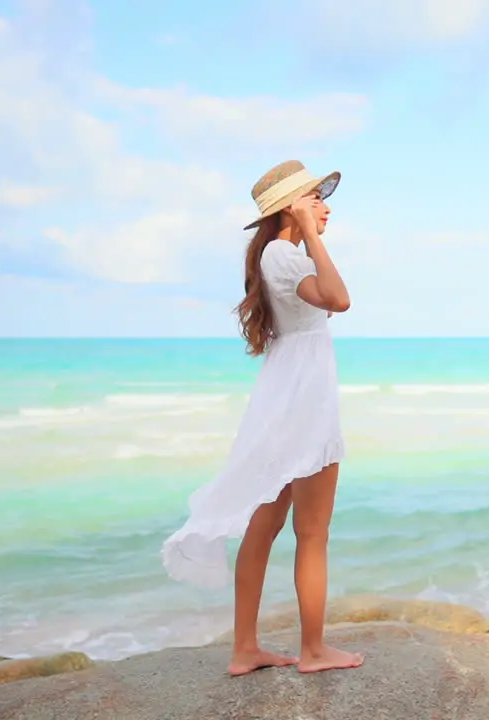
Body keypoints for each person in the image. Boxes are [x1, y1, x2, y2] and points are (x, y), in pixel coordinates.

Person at [161, 160, 364, 676]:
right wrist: (314, 240)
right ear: (291, 207)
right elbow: (339, 299)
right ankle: (314, 651)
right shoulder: (285, 256)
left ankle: (245, 649)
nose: (327, 207)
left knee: (265, 526)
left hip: (286, 396)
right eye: (316, 199)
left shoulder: (276, 256)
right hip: (305, 403)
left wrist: (306, 235)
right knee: (311, 532)